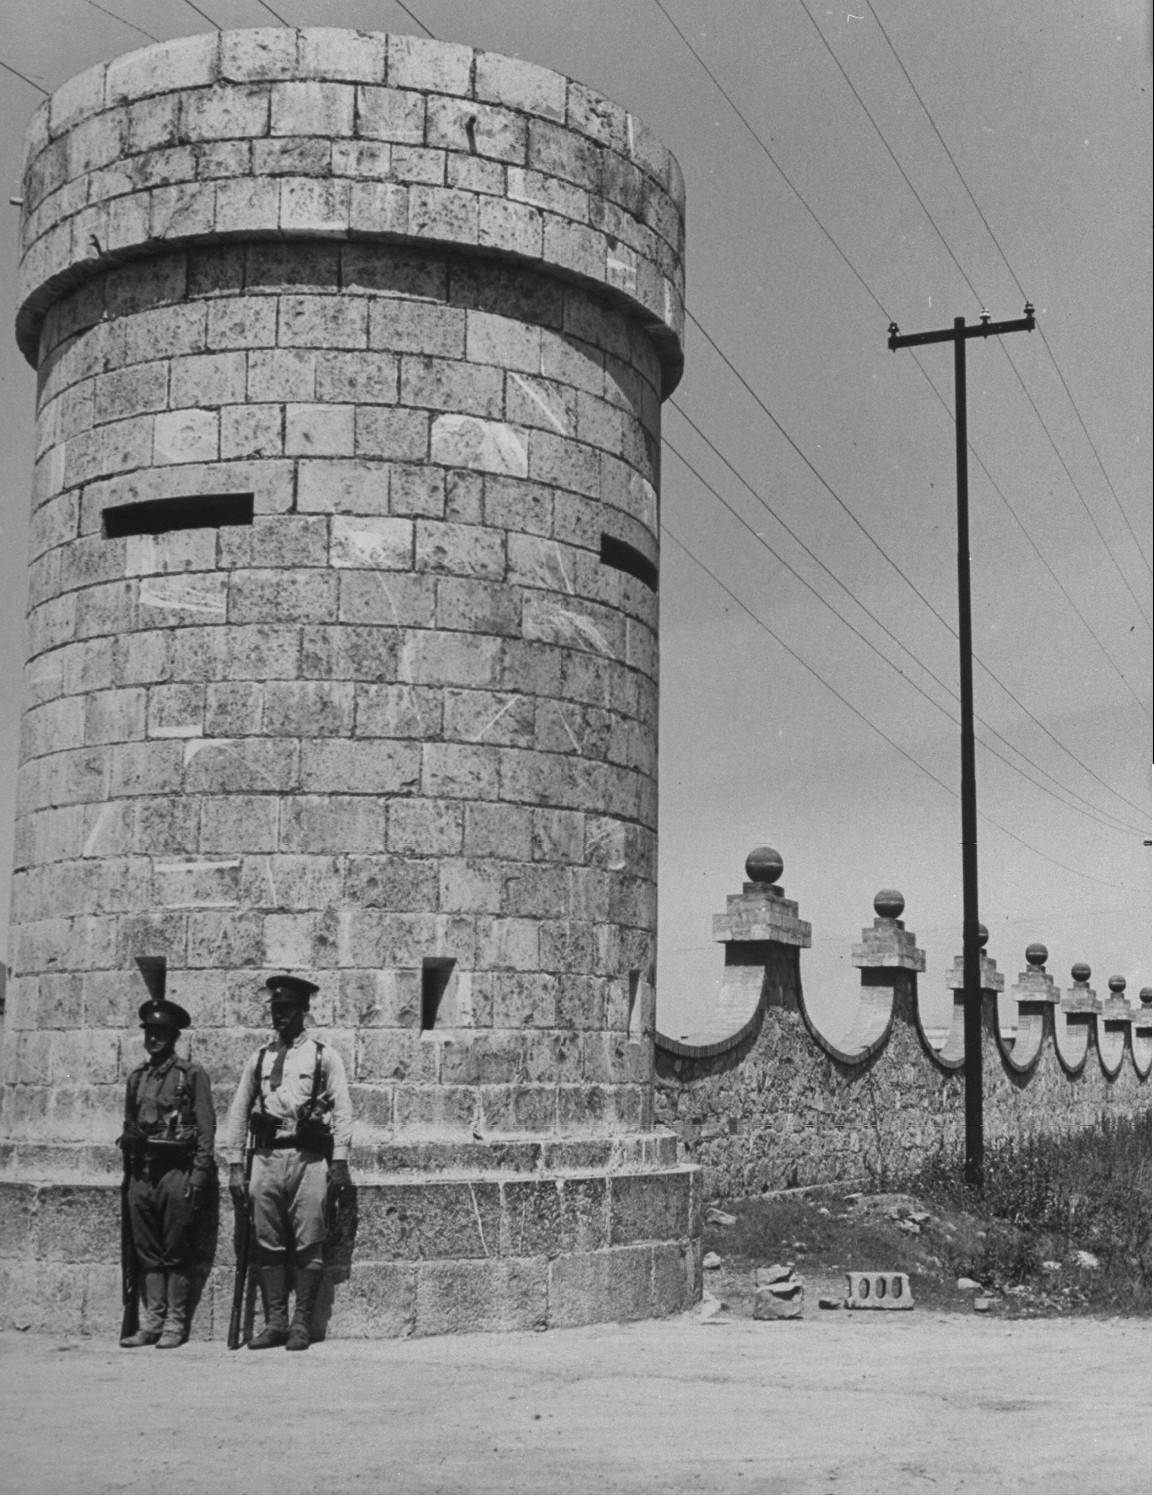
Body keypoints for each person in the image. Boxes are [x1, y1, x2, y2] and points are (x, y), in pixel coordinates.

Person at [222, 975, 353, 1351]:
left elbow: (343, 1110)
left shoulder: (322, 1056)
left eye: (288, 1009)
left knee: (310, 1239)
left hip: (307, 1157)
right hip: (264, 1157)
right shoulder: (259, 1058)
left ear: (303, 1012)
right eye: (276, 1009)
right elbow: (238, 1112)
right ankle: (275, 1322)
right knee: (268, 1242)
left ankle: (301, 1324)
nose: (280, 1016)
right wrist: (234, 1164)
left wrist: (340, 1160)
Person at [118, 997, 216, 1349]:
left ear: (174, 1037)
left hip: (177, 1172)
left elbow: (205, 1129)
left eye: (161, 1032)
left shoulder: (190, 1076)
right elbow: (130, 1123)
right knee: (146, 1249)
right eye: (150, 1032)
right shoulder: (137, 1078)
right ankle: (152, 1322)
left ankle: (175, 1323)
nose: (154, 1038)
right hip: (142, 1174)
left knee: (175, 1249)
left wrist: (199, 1178)